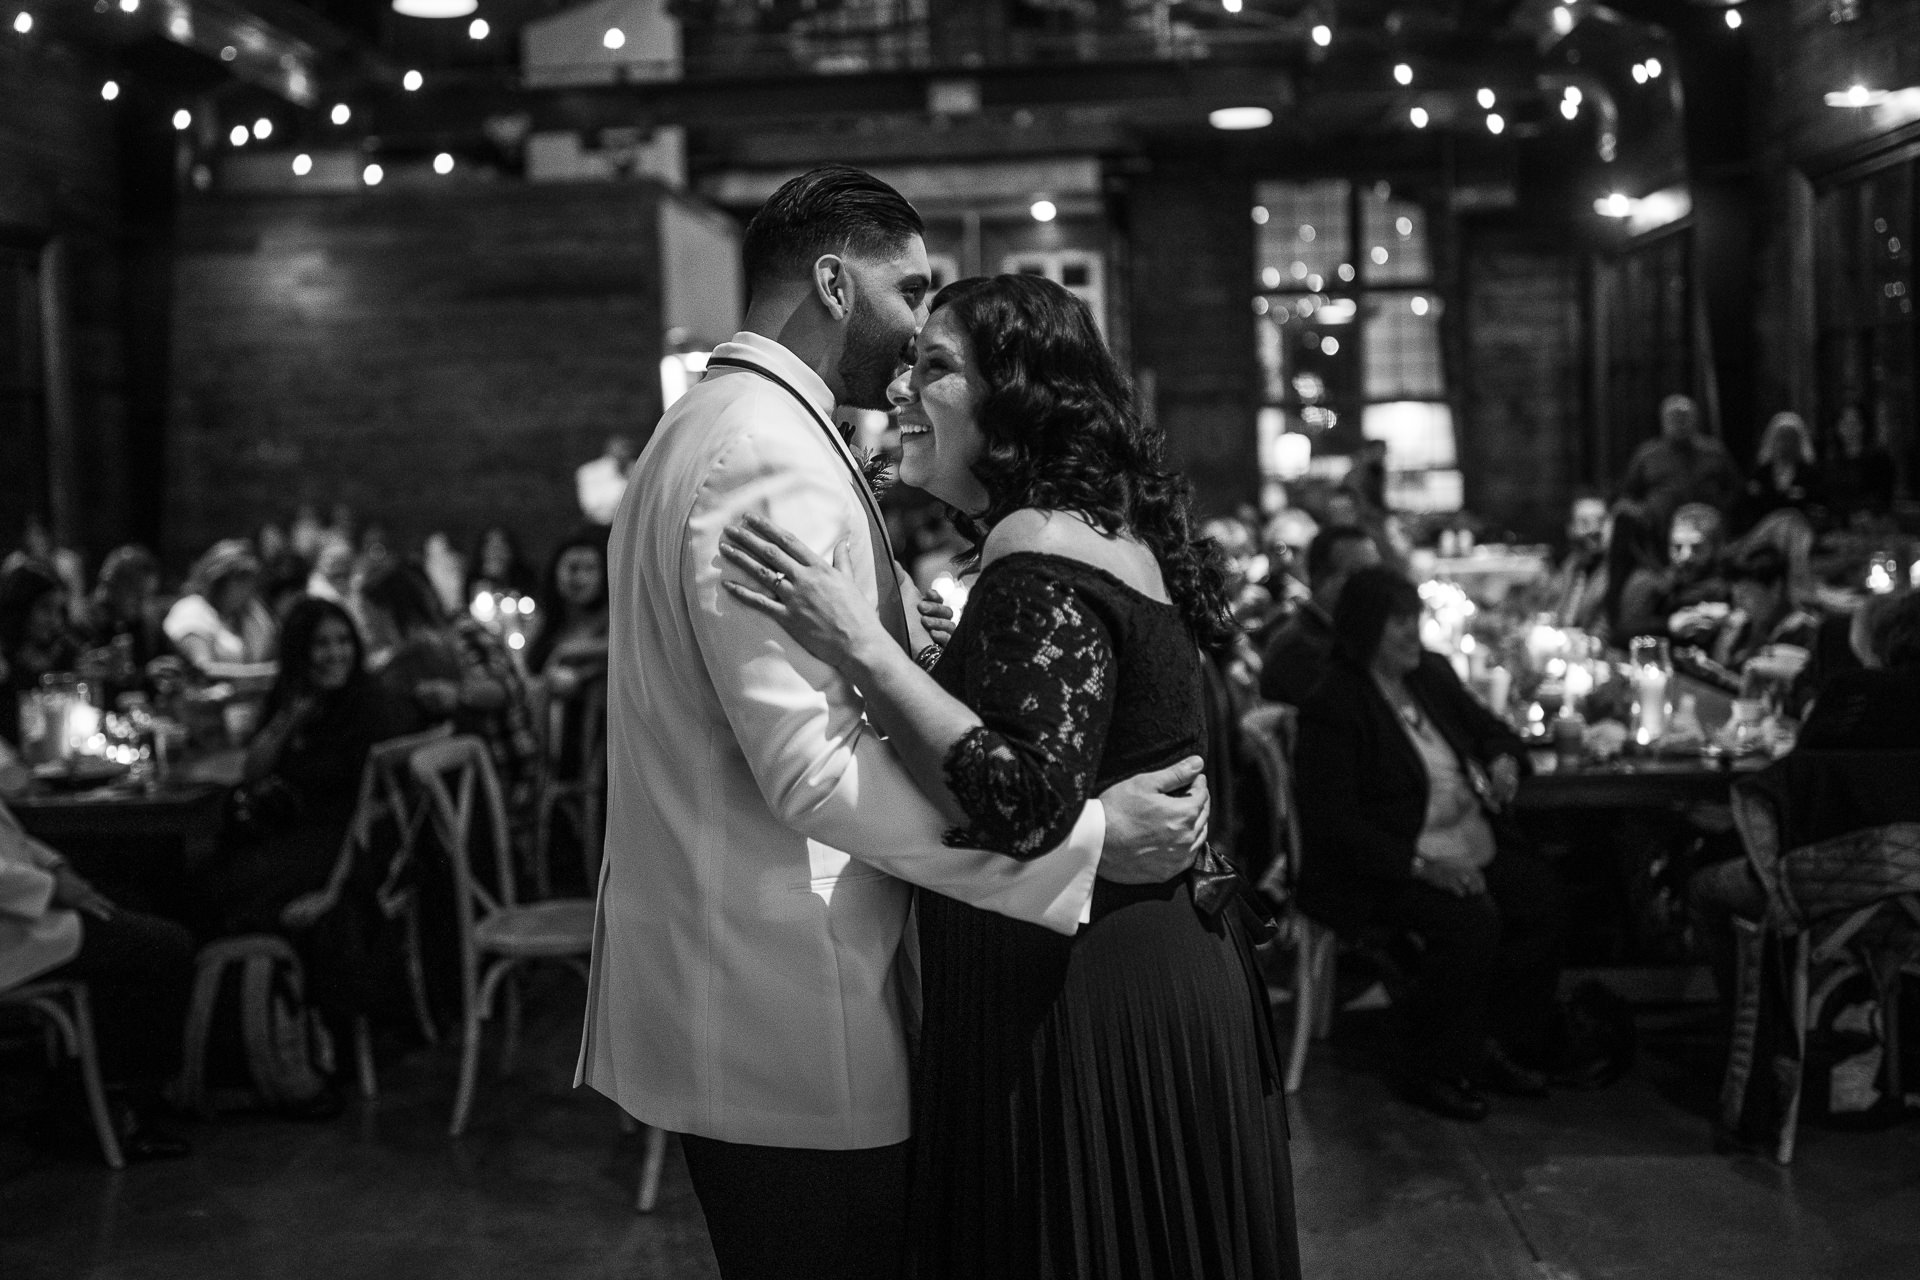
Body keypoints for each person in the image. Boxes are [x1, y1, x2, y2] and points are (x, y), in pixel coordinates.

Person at [575, 168, 1210, 1280]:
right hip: (786, 992)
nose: (923, 318)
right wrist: (1082, 844)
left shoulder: (713, 424)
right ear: (833, 281)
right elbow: (812, 771)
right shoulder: (765, 451)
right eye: (910, 290)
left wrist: (901, 649)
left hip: (745, 968)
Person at [720, 271, 1295, 1279]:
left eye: (936, 366)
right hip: (1149, 967)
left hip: (1085, 996)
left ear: (1015, 402)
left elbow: (1020, 800)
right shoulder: (1094, 534)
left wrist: (863, 645)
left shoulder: (1035, 544)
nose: (900, 388)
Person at [1295, 565, 1565, 1123]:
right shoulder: (1335, 702)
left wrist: (1502, 758)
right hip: (1382, 862)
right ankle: (1434, 1064)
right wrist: (1421, 867)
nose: (1411, 635)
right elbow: (1332, 823)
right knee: (1471, 918)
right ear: (1366, 629)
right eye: (1398, 624)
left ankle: (1501, 1042)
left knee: (1540, 891)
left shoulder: (1430, 675)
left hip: (1465, 838)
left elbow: (1494, 728)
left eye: (1413, 621)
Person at [1, 767, 195, 1159]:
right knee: (163, 947)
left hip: (24, 911)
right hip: (13, 932)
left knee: (136, 908)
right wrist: (53, 887)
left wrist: (56, 866)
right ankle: (119, 1107)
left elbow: (12, 834)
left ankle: (92, 1097)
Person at [191, 599, 405, 942]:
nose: (336, 654)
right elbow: (253, 773)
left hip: (346, 849)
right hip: (297, 835)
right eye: (321, 644)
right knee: (203, 879)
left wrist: (332, 893)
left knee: (228, 894)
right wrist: (288, 719)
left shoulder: (369, 708)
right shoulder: (294, 699)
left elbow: (372, 811)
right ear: (299, 651)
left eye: (343, 641)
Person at [358, 561, 537, 799]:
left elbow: (505, 689)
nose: (366, 625)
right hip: (468, 775)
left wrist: (457, 694)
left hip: (500, 772)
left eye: (369, 615)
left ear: (388, 611)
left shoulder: (460, 633)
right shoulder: (419, 650)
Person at [524, 527, 612, 780]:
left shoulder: (612, 622)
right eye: (573, 568)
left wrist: (568, 652)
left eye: (590, 569)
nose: (580, 578)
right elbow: (525, 674)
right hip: (543, 744)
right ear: (556, 572)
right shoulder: (546, 621)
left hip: (595, 749)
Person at [1258, 523, 1380, 706]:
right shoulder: (1298, 649)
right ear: (1321, 578)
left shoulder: (1348, 631)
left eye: (1377, 574)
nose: (1375, 585)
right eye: (1359, 574)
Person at [1619, 393, 1741, 539]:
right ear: (1663, 420)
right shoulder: (1646, 455)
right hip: (1658, 531)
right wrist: (1641, 514)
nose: (1679, 422)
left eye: (1684, 417)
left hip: (1705, 532)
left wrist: (1720, 511)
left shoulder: (1714, 451)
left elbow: (1736, 488)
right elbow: (1628, 494)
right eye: (1673, 417)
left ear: (1695, 419)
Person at [163, 539, 279, 689]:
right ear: (218, 580)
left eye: (252, 580)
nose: (249, 588)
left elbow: (272, 652)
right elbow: (204, 669)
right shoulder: (191, 609)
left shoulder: (251, 613)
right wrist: (264, 674)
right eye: (241, 579)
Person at [1617, 502, 1730, 644]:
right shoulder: (1661, 583)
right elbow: (1623, 631)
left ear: (1715, 548)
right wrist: (1669, 625)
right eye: (1677, 547)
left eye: (1697, 547)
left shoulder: (1730, 588)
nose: (1685, 555)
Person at [0, 562, 82, 746]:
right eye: (45, 608)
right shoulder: (4, 663)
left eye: (59, 610)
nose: (55, 620)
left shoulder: (66, 654)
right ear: (21, 609)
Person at [1705, 543, 1820, 673]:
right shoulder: (1742, 625)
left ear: (1776, 588)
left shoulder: (1802, 630)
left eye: (1746, 594)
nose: (1739, 604)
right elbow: (1720, 671)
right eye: (1736, 596)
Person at [1732, 412, 1823, 535]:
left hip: (1799, 534)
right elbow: (1746, 507)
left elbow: (1817, 506)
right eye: (1781, 438)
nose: (1785, 444)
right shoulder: (1761, 474)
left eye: (1790, 438)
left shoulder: (1809, 474)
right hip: (1765, 534)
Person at [1824, 404, 1897, 528]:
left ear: (1863, 426)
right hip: (1841, 522)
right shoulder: (1831, 461)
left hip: (1875, 521)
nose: (1850, 429)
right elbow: (1829, 496)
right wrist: (1847, 517)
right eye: (1845, 423)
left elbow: (1884, 493)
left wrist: (1869, 513)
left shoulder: (1879, 458)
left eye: (1854, 423)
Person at [1547, 492, 1610, 633]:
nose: (1594, 529)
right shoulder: (1570, 565)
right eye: (1585, 522)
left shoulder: (1613, 572)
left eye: (1601, 521)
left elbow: (1604, 632)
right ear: (1571, 529)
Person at [464, 525, 538, 605]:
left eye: (501, 545)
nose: (495, 551)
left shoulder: (526, 578)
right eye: (490, 545)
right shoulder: (473, 578)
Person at [575, 434, 638, 526]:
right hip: (598, 528)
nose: (623, 454)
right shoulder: (589, 471)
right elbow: (591, 504)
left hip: (630, 525)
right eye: (620, 450)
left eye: (626, 450)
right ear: (608, 451)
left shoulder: (638, 469)